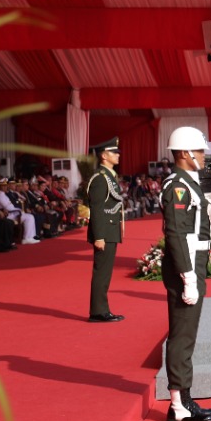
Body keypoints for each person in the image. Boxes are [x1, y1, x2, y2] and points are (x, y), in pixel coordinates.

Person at [161, 126, 211, 421]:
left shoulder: (188, 183)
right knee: (182, 335)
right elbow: (177, 233)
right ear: (184, 153)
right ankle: (179, 406)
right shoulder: (177, 186)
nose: (203, 156)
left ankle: (184, 397)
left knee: (187, 334)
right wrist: (188, 276)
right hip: (187, 265)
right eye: (199, 151)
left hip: (194, 262)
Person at [85, 137, 126, 322]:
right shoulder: (100, 179)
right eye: (114, 152)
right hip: (105, 232)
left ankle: (101, 309)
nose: (118, 155)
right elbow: (97, 209)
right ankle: (98, 312)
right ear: (103, 156)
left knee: (105, 273)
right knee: (102, 273)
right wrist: (99, 236)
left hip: (110, 230)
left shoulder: (109, 176)